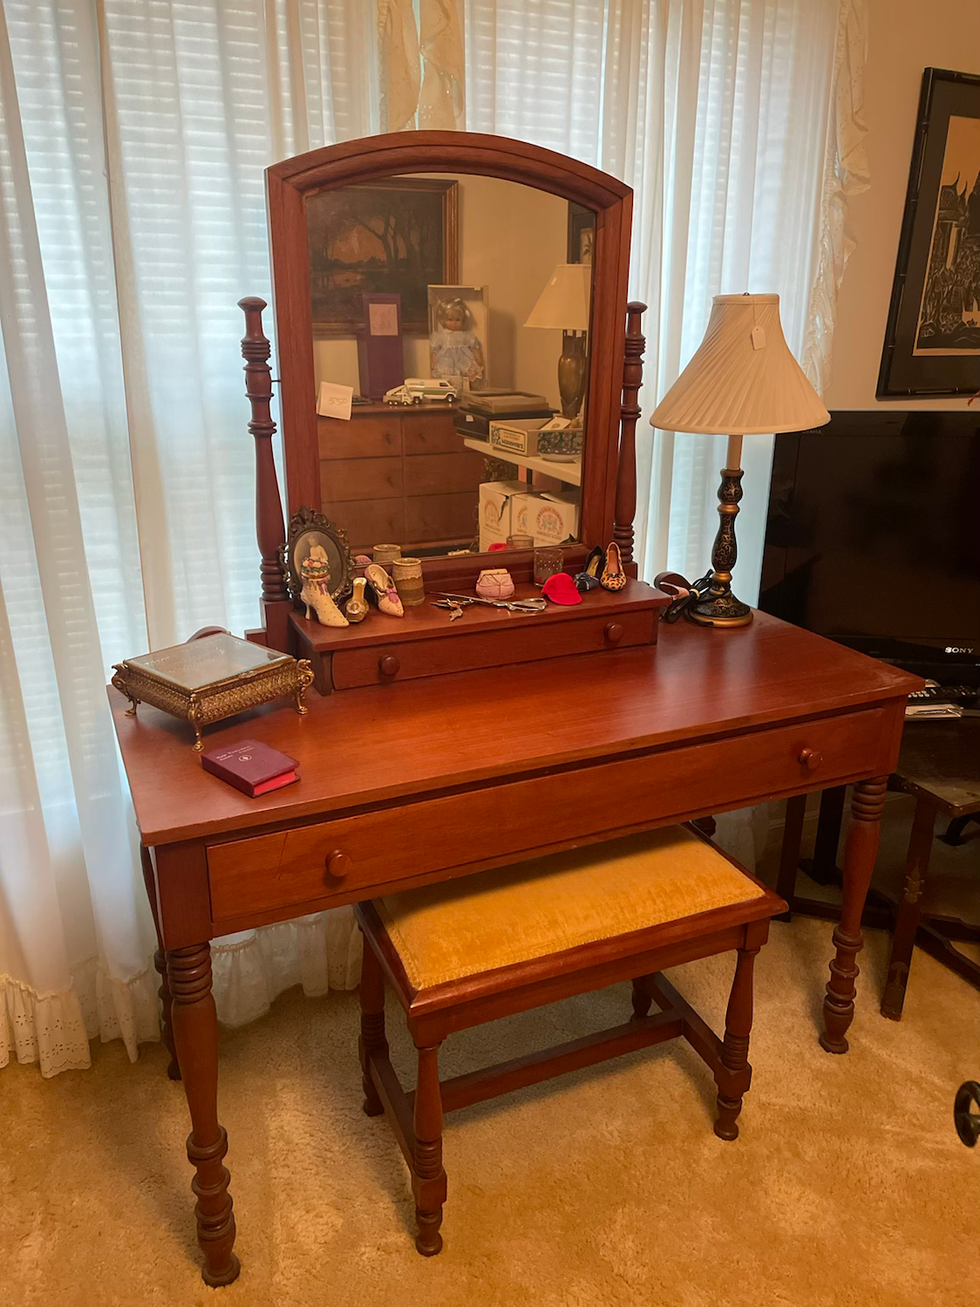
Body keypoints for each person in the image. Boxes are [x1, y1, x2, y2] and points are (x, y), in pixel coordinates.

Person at [429, 298, 485, 383]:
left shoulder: (466, 335)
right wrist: (433, 360)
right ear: (443, 320)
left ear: (463, 320)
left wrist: (478, 356)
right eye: (450, 320)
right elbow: (435, 350)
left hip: (463, 359)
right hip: (446, 359)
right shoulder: (440, 336)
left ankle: (465, 387)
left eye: (458, 320)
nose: (454, 323)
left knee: (466, 374)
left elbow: (474, 346)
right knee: (446, 375)